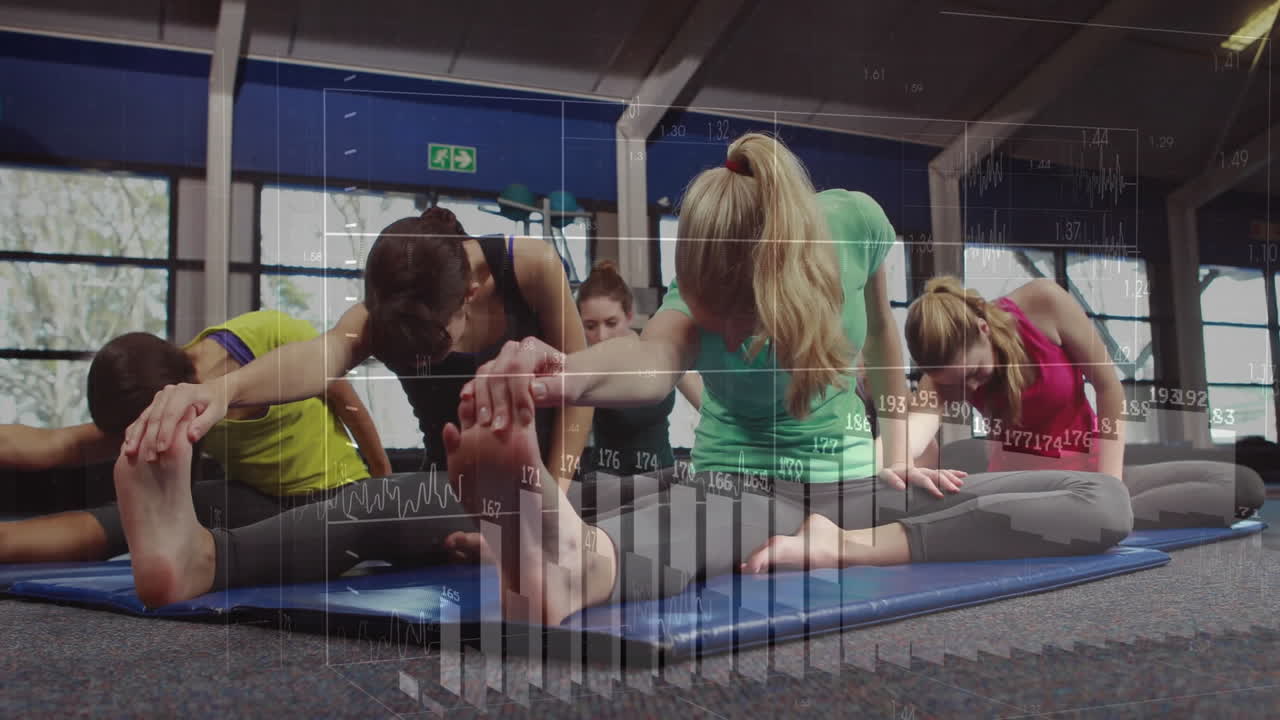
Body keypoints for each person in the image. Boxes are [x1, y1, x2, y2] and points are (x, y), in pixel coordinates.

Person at [445, 132, 1134, 626]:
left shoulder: (856, 225)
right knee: (691, 520)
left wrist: (896, 454)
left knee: (1103, 503)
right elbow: (651, 362)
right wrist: (562, 375)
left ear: (780, 287)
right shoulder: (702, 288)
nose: (729, 341)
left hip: (856, 491)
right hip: (738, 483)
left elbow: (886, 337)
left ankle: (563, 534)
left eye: (737, 324)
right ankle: (565, 560)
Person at [113, 208, 593, 608]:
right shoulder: (391, 306)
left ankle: (208, 562)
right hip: (453, 484)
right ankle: (187, 547)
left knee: (376, 504)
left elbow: (579, 391)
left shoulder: (532, 267)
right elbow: (324, 356)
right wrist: (222, 391)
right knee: (382, 504)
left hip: (543, 482)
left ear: (469, 294)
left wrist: (546, 505)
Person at [0, 311, 389, 568]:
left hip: (337, 493)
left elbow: (348, 402)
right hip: (258, 500)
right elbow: (59, 444)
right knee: (142, 511)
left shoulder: (269, 336)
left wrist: (381, 481)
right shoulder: (159, 393)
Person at [904, 276, 1266, 528]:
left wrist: (1111, 486)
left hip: (1094, 471)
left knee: (1243, 487)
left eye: (976, 371)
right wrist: (906, 462)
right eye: (958, 381)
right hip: (1025, 491)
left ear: (983, 328)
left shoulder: (1043, 302)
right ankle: (1077, 521)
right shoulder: (942, 373)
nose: (970, 386)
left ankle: (1090, 520)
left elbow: (1109, 387)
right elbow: (912, 438)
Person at [576, 259, 703, 479]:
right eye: (590, 326)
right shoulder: (583, 366)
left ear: (629, 315)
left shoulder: (655, 353)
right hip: (608, 488)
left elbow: (709, 405)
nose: (601, 336)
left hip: (662, 481)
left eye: (611, 322)